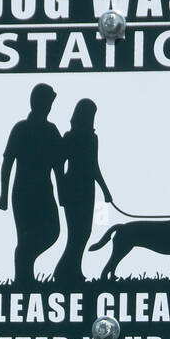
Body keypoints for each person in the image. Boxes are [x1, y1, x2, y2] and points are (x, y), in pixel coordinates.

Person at [0, 83, 64, 284]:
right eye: (48, 102)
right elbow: (7, 163)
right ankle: (23, 279)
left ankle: (24, 274)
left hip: (44, 192)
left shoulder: (52, 131)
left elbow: (59, 166)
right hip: (24, 194)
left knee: (52, 231)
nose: (49, 107)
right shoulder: (21, 129)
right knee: (25, 238)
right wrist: (3, 195)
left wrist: (63, 196)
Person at [54, 98, 112, 284]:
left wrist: (105, 190)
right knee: (76, 233)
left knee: (84, 232)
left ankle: (74, 270)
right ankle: (63, 271)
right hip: (72, 188)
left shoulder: (92, 138)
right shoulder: (69, 137)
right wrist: (61, 191)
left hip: (88, 189)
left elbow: (94, 166)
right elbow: (58, 164)